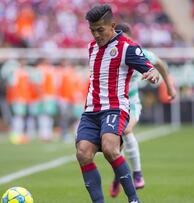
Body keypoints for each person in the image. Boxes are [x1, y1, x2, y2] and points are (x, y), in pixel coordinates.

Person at [75, 4, 160, 203]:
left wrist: (153, 73)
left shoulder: (127, 48)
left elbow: (149, 67)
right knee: (83, 153)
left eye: (100, 30)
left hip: (115, 108)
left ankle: (133, 200)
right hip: (91, 111)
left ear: (112, 25)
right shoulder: (91, 48)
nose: (96, 35)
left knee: (110, 149)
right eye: (92, 30)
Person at [109, 23, 177, 197]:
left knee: (127, 129)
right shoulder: (111, 53)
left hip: (131, 102)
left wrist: (169, 87)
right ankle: (119, 176)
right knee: (113, 144)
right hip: (114, 104)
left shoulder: (138, 52)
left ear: (129, 37)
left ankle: (137, 174)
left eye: (123, 37)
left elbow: (160, 64)